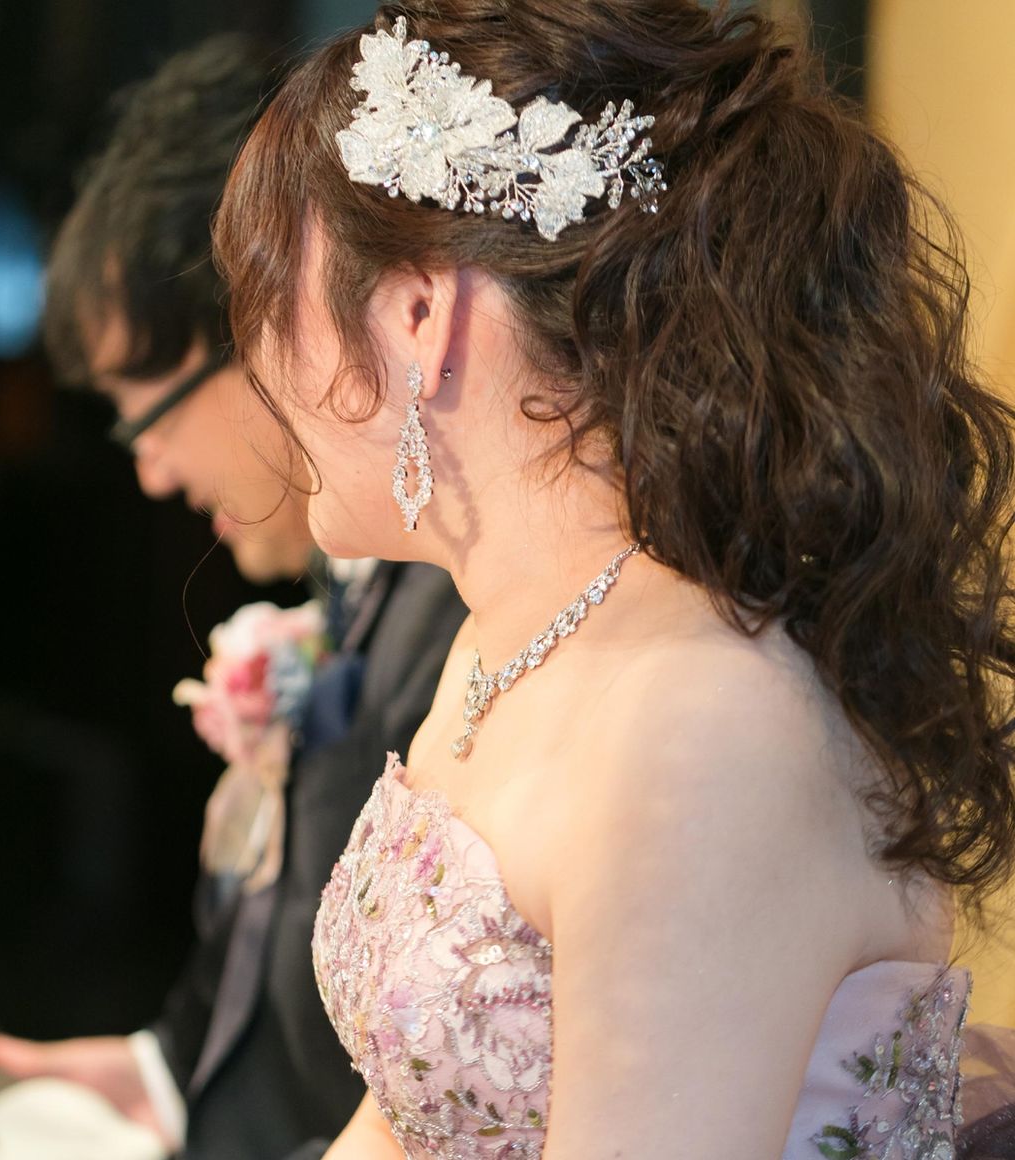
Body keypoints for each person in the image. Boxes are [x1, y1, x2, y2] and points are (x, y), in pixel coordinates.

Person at [211, 1, 1015, 1156]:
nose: (256, 368)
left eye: (265, 301)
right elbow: (404, 1123)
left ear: (420, 312)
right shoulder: (505, 641)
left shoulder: (702, 726)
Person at [0, 35, 466, 1160]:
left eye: (143, 412)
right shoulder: (352, 592)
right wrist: (164, 1072)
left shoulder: (462, 617)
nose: (149, 471)